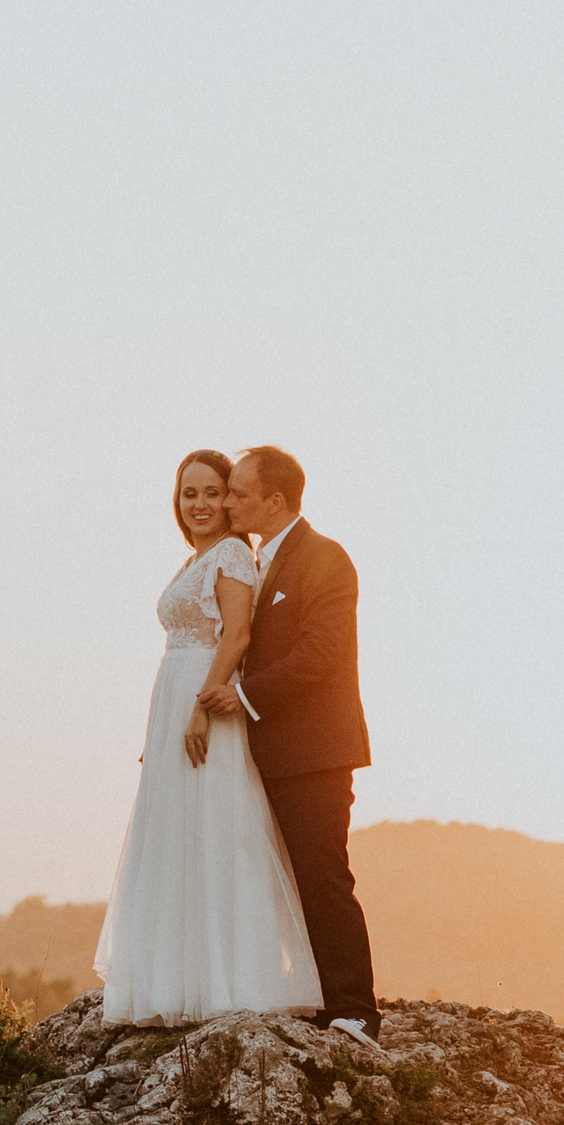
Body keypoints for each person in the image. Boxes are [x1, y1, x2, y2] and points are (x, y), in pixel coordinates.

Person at [93, 450, 323, 1024]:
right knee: (176, 837)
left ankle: (230, 983)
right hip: (176, 703)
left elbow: (239, 635)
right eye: (188, 493)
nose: (200, 504)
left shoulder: (231, 555)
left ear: (231, 500)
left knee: (217, 834)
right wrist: (164, 724)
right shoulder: (192, 559)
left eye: (212, 492)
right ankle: (176, 981)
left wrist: (200, 708)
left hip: (207, 705)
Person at [196, 445, 384, 1054]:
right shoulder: (258, 561)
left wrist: (242, 697)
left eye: (237, 494)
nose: (226, 503)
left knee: (323, 875)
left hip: (316, 752)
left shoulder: (325, 558)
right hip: (265, 752)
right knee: (283, 879)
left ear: (274, 502)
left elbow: (318, 654)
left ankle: (355, 1011)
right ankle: (315, 997)